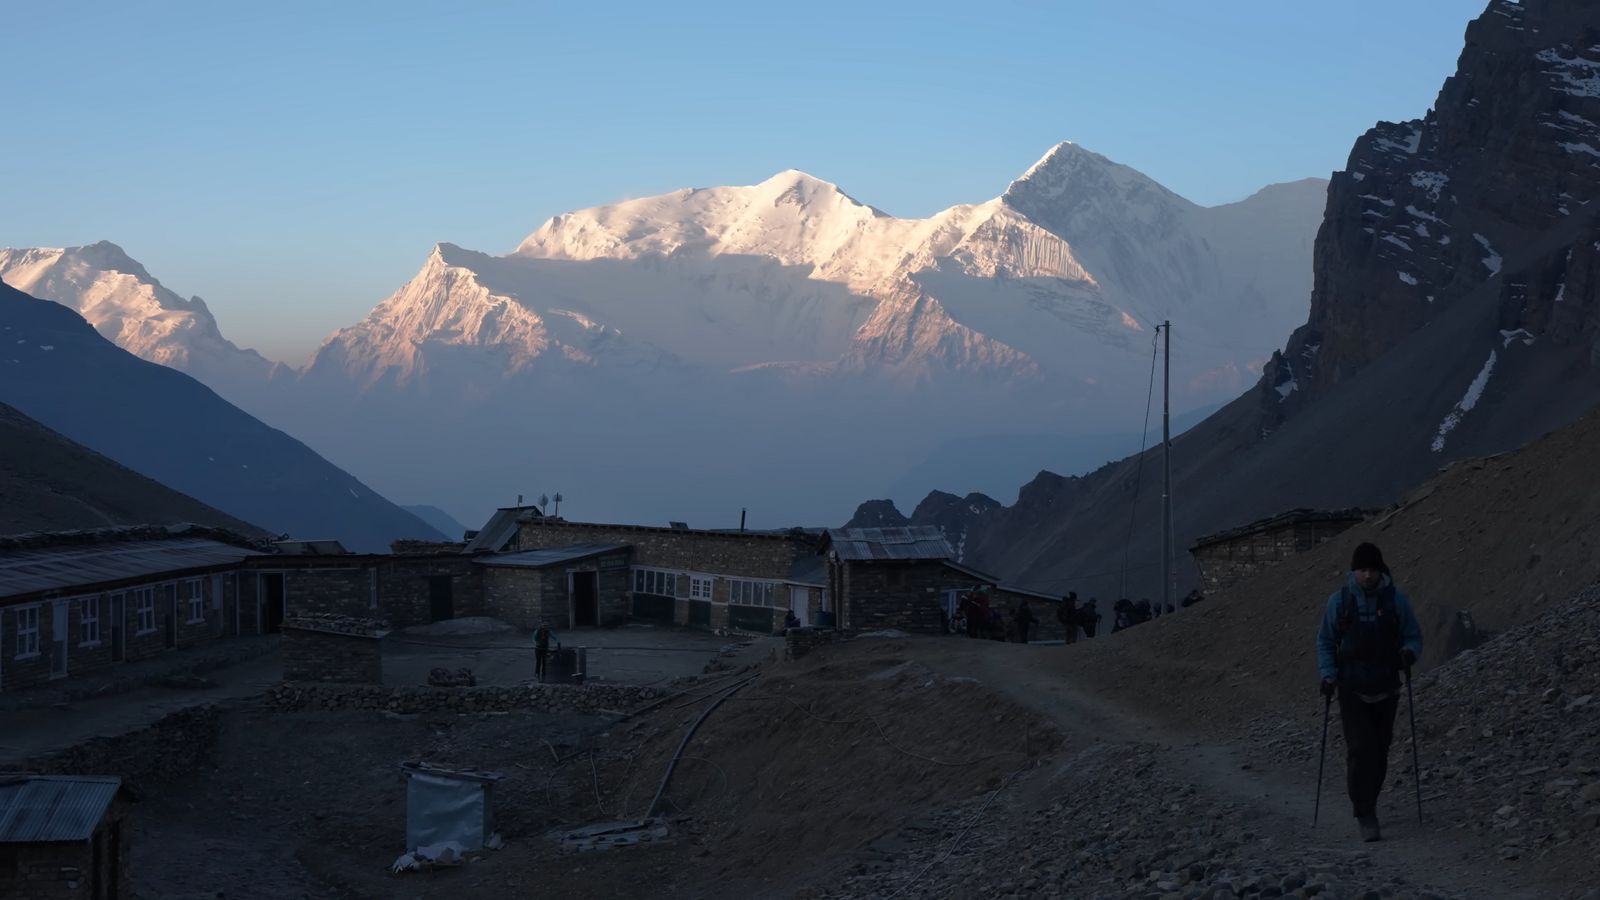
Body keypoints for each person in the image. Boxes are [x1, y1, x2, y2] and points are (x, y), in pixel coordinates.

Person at [1316, 541, 1423, 843]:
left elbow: (1414, 636)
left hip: (1387, 687)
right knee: (1360, 749)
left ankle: (1370, 802)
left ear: (1379, 570)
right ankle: (1364, 811)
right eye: (1361, 569)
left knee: (1380, 751)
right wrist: (1327, 675)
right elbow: (1325, 641)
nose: (1366, 575)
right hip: (1352, 689)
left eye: (1371, 569)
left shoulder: (1395, 601)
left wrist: (1409, 654)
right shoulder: (1339, 602)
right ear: (1354, 571)